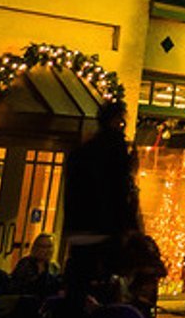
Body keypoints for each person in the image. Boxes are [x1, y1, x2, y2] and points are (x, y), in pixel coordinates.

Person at [61, 100, 142, 304]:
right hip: (106, 234)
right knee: (106, 296)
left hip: (80, 233)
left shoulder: (81, 153)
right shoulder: (115, 151)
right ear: (116, 121)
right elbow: (119, 193)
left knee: (78, 292)